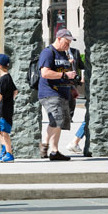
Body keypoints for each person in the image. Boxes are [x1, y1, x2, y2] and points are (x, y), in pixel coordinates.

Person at [38, 28, 78, 161]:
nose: (68, 45)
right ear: (58, 38)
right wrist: (64, 75)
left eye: (70, 43)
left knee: (60, 122)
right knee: (57, 119)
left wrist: (72, 87)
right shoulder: (48, 53)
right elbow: (45, 73)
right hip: (49, 92)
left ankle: (54, 151)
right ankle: (44, 144)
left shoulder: (64, 54)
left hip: (63, 92)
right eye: (66, 42)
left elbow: (66, 74)